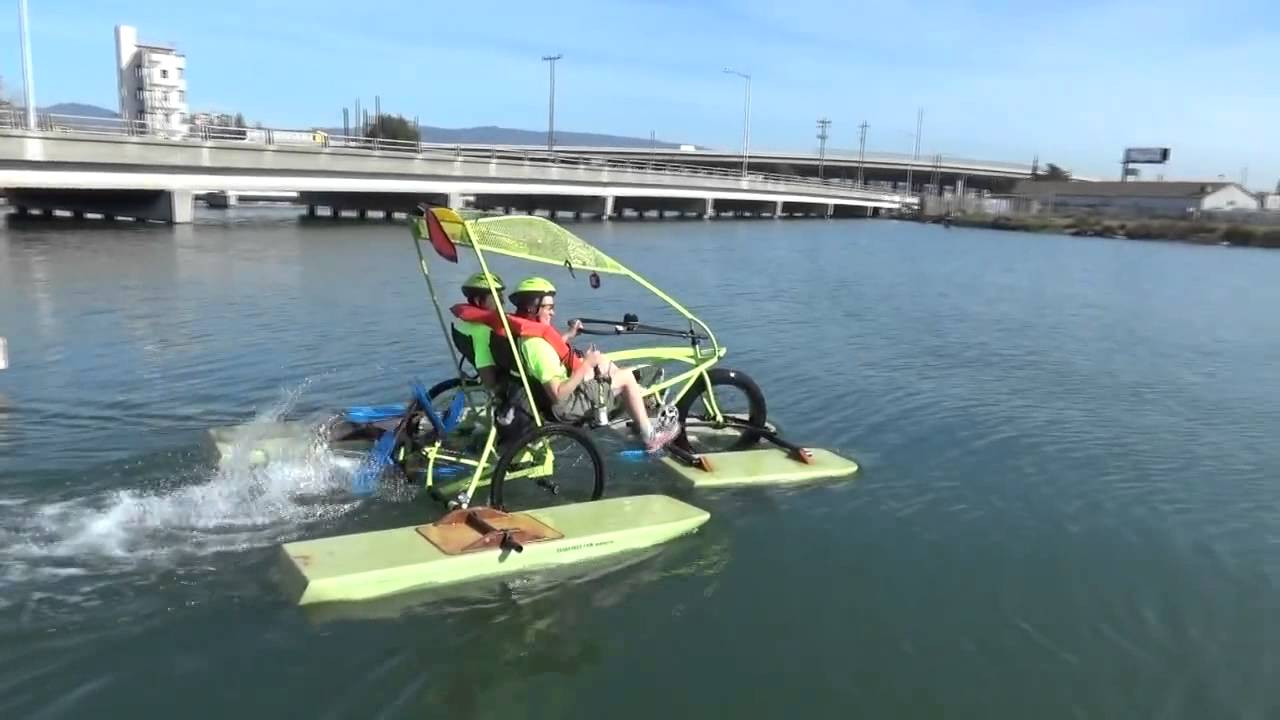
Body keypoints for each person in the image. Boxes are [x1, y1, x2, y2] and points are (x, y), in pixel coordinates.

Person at [506, 276, 680, 453]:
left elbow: (551, 355)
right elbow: (558, 395)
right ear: (532, 308)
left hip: (563, 397)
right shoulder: (537, 347)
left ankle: (637, 411)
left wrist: (569, 335)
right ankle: (650, 437)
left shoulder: (530, 337)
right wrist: (586, 365)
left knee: (603, 362)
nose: (553, 313)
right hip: (566, 406)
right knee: (627, 377)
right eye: (549, 308)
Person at [450, 271, 506, 392]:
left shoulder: (462, 325)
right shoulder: (484, 332)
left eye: (502, 297)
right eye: (497, 298)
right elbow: (488, 377)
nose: (503, 302)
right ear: (478, 300)